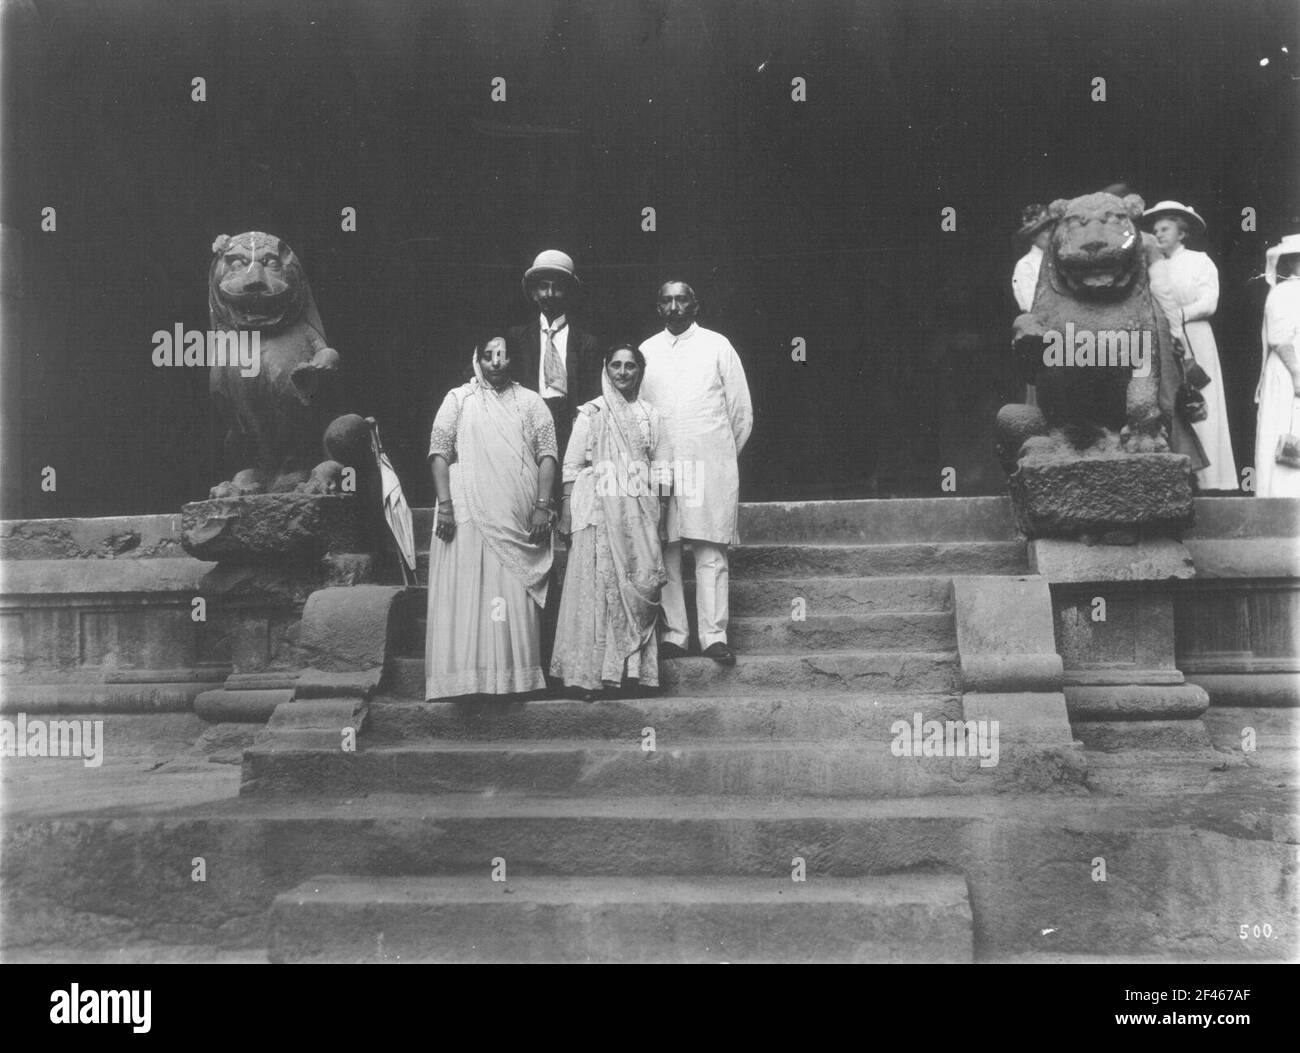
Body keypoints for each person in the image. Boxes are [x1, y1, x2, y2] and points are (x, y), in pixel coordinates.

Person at [425, 334, 558, 699]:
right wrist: (446, 505)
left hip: (517, 512)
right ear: (477, 360)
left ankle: (514, 679)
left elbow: (547, 455)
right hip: (468, 510)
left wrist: (542, 506)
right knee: (470, 588)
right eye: (488, 356)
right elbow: (439, 453)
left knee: (510, 585)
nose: (496, 362)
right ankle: (465, 679)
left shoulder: (531, 402)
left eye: (503, 355)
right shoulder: (459, 400)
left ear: (513, 360)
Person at [640, 281, 753, 665]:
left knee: (710, 550)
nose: (674, 307)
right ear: (659, 308)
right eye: (666, 300)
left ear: (695, 304)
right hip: (663, 465)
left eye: (681, 299)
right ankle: (675, 634)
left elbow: (740, 414)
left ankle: (713, 635)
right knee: (667, 547)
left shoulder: (718, 346)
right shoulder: (646, 351)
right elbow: (638, 414)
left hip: (709, 464)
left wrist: (719, 456)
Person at [551, 344, 672, 698]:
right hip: (598, 511)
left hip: (639, 512)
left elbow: (663, 468)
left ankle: (631, 674)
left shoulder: (652, 416)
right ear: (606, 369)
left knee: (637, 585)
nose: (622, 372)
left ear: (640, 371)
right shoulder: (592, 412)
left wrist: (660, 517)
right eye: (616, 365)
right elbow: (572, 466)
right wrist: (569, 510)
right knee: (597, 589)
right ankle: (589, 676)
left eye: (630, 366)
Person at [1144, 200, 1238, 491]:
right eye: (1155, 229)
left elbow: (1210, 303)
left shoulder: (1200, 260)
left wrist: (1177, 315)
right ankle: (1180, 478)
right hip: (1165, 339)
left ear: (1181, 232)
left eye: (1165, 228)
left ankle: (1211, 481)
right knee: (1170, 401)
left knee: (1199, 399)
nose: (1158, 234)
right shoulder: (1152, 267)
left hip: (1195, 337)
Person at [507, 250, 603, 492]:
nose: (550, 294)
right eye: (543, 287)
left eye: (557, 287)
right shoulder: (516, 338)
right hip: (527, 425)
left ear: (569, 292)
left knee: (568, 492)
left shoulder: (586, 342)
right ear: (533, 292)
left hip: (570, 424)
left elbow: (593, 394)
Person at [1255, 234, 1300, 498]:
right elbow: (1279, 338)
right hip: (1289, 369)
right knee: (1286, 429)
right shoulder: (1285, 292)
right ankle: (1280, 498)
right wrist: (1296, 373)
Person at [1012, 203, 1053, 405]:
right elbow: (1029, 304)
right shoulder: (1025, 265)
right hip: (1043, 334)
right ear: (1033, 236)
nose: (1049, 234)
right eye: (1042, 230)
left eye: (1050, 228)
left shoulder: (1060, 261)